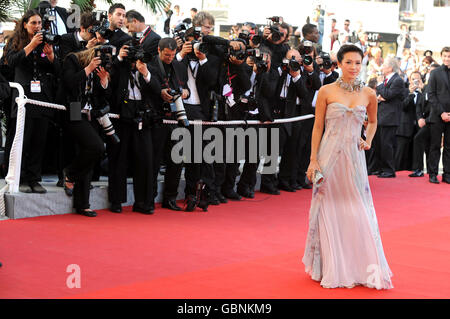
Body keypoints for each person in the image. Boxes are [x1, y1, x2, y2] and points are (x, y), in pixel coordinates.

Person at [302, 44, 393, 289]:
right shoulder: (326, 91)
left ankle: (356, 263)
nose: (354, 67)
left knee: (357, 210)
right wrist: (313, 159)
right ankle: (330, 265)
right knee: (327, 208)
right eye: (349, 62)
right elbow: (318, 127)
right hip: (328, 157)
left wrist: (368, 140)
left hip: (353, 159)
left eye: (358, 63)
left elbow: (372, 122)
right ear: (339, 64)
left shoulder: (369, 94)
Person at [4, 10, 60, 194]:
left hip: (42, 98)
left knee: (38, 139)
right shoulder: (15, 41)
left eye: (39, 23)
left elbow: (58, 71)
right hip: (22, 97)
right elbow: (10, 62)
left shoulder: (46, 41)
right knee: (22, 139)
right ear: (25, 24)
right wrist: (30, 45)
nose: (37, 26)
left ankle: (34, 178)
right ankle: (18, 177)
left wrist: (51, 57)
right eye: (33, 23)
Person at [61, 46, 108, 217]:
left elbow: (102, 96)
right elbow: (69, 82)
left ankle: (83, 204)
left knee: (90, 156)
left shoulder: (100, 68)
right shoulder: (73, 60)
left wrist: (104, 82)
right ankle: (70, 173)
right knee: (97, 147)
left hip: (91, 114)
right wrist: (88, 69)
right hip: (73, 110)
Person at [373, 56, 406, 178]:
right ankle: (381, 168)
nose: (382, 67)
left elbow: (388, 95)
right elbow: (384, 95)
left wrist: (381, 86)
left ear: (390, 67)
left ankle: (389, 170)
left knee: (387, 144)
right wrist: (382, 95)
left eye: (384, 65)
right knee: (380, 144)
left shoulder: (397, 80)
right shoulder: (388, 80)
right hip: (382, 116)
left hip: (390, 118)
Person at [427, 47, 450, 184]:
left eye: (449, 56)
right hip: (437, 115)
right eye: (445, 56)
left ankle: (447, 174)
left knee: (449, 147)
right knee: (435, 145)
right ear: (441, 57)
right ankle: (433, 174)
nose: (447, 58)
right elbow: (431, 95)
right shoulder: (435, 73)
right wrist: (442, 112)